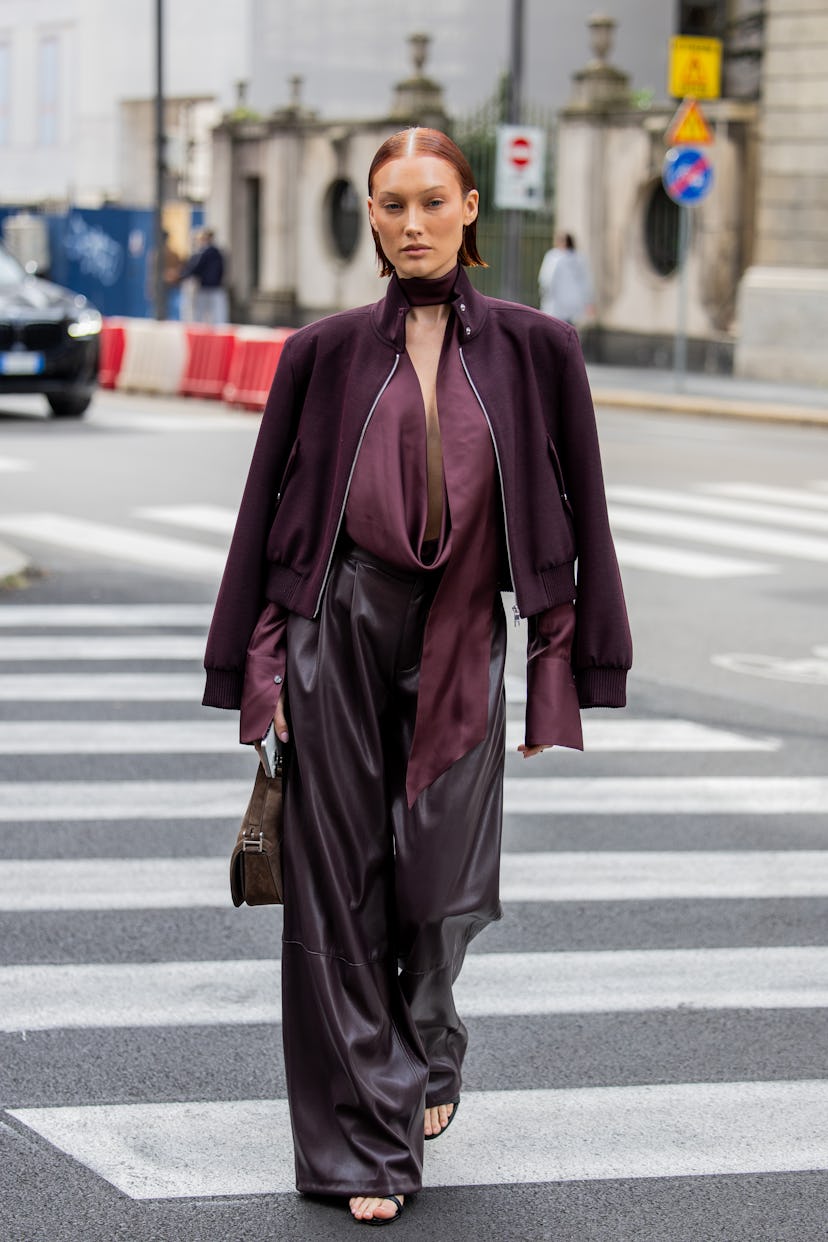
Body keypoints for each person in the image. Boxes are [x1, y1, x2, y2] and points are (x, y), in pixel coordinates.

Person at [202, 128, 631, 1226]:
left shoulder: (541, 349)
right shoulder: (323, 351)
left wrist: (558, 667)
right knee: (338, 891)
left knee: (442, 886)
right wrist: (259, 669)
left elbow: (578, 515)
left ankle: (427, 1037)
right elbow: (269, 521)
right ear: (376, 218)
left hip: (462, 629)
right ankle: (364, 1149)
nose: (409, 222)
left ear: (471, 208)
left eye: (430, 200)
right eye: (389, 204)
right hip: (336, 622)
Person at [538, 230, 594, 326]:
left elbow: (546, 279)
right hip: (573, 302)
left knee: (557, 327)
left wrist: (545, 295)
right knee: (569, 328)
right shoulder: (579, 258)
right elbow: (585, 282)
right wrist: (588, 301)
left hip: (557, 303)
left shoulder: (553, 257)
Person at [180, 228, 228, 323]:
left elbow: (195, 268)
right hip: (214, 286)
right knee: (215, 314)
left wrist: (182, 276)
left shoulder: (204, 253)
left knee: (202, 314)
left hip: (207, 286)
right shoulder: (217, 252)